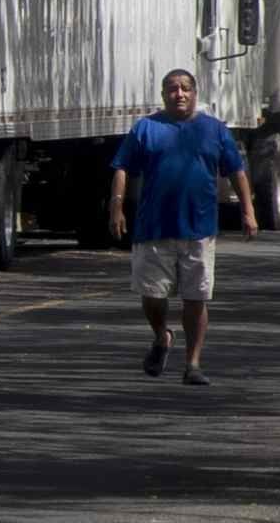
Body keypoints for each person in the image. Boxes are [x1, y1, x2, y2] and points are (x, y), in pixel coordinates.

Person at [108, 64, 257, 383]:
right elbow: (122, 168)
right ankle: (162, 336)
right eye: (173, 89)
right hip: (153, 228)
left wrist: (248, 210)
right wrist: (117, 207)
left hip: (199, 228)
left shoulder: (214, 129)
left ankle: (193, 364)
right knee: (152, 296)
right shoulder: (145, 128)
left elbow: (236, 171)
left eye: (185, 88)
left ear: (194, 93)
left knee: (196, 297)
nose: (179, 94)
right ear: (163, 95)